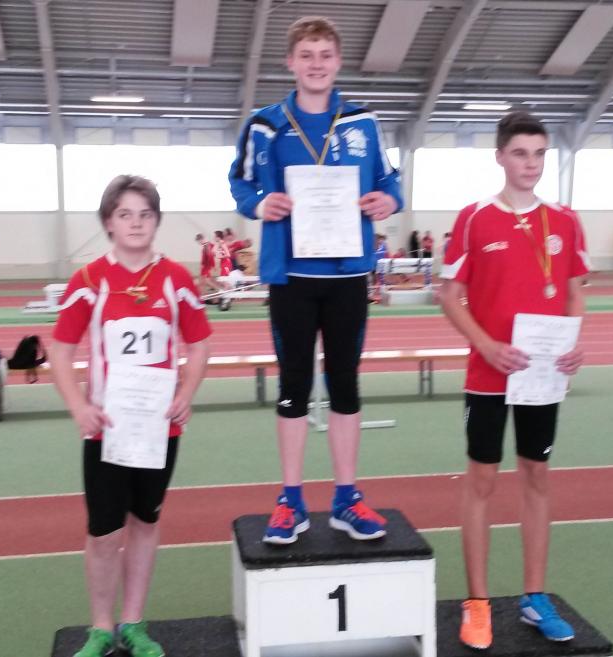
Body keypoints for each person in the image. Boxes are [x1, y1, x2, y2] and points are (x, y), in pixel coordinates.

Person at [229, 16, 402, 545]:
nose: (316, 64)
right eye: (306, 54)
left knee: (345, 383)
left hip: (348, 273)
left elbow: (389, 178)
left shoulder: (363, 122)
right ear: (291, 62)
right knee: (294, 387)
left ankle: (347, 498)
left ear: (338, 61)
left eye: (325, 54)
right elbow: (241, 181)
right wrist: (260, 204)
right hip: (292, 276)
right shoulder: (264, 125)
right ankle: (291, 500)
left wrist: (389, 199)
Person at [440, 111, 588, 650]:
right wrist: (485, 345)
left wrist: (574, 342)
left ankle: (535, 597)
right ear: (500, 157)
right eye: (521, 153)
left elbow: (574, 291)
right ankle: (477, 602)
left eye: (540, 154)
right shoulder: (475, 218)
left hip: (542, 377)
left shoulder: (565, 220)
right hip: (488, 374)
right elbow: (448, 296)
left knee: (536, 477)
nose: (531, 164)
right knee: (481, 481)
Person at [51, 176, 212, 657]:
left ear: (156, 221)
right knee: (104, 532)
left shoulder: (177, 279)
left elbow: (199, 344)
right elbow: (60, 350)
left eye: (145, 214)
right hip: (107, 430)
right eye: (125, 214)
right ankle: (100, 627)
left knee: (144, 523)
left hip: (160, 428)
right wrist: (79, 406)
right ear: (109, 223)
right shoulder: (88, 281)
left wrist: (187, 392)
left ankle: (133, 624)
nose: (136, 223)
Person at [195, 232, 223, 299]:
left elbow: (210, 256)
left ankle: (219, 290)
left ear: (201, 239)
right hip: (206, 266)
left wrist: (212, 265)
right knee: (202, 282)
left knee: (205, 281)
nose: (198, 243)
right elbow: (210, 255)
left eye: (198, 241)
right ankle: (202, 296)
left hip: (206, 266)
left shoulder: (206, 245)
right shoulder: (207, 245)